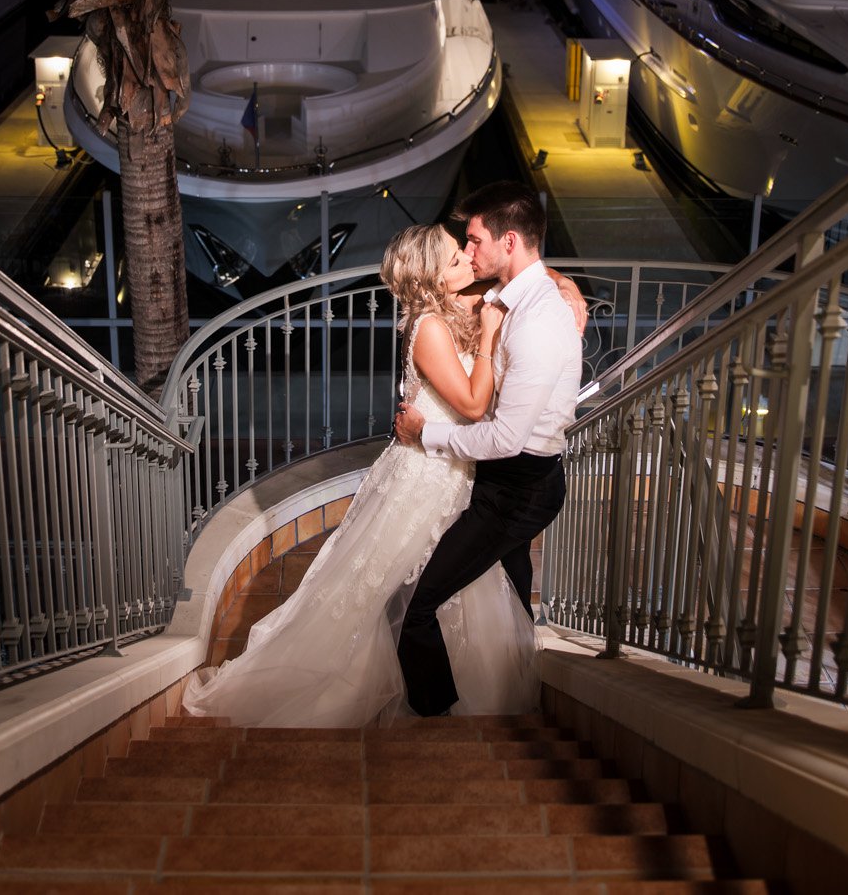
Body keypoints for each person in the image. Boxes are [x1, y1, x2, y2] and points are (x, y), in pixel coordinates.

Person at [179, 221, 571, 726]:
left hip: (455, 470)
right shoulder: (429, 326)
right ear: (430, 275)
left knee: (452, 584)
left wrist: (567, 290)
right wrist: (494, 333)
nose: (468, 262)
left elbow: (524, 277)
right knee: (396, 586)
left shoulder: (458, 308)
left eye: (465, 252)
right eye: (455, 259)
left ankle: (456, 688)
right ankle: (399, 693)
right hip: (426, 475)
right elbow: (474, 406)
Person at [392, 180, 583, 718]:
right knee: (511, 587)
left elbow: (500, 435)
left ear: (511, 242)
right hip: (497, 480)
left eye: (474, 242)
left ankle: (434, 716)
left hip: (518, 486)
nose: (469, 254)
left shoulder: (537, 323)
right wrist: (567, 283)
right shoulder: (507, 296)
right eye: (463, 248)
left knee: (422, 605)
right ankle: (518, 690)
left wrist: (422, 433)